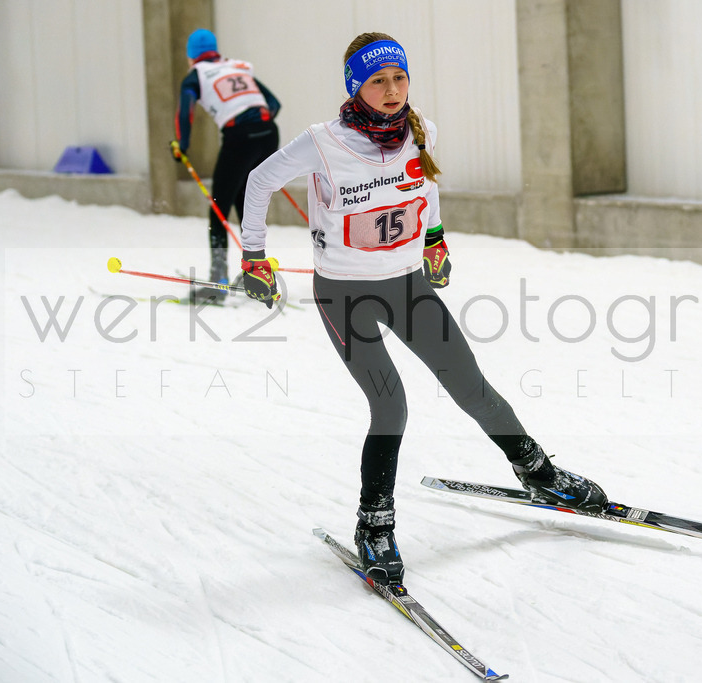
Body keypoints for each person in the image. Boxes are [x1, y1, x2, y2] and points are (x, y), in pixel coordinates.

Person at [239, 32, 607, 585]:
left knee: (473, 387)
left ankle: (538, 473)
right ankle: (374, 524)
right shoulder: (322, 142)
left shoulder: (420, 129)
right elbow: (258, 180)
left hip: (407, 285)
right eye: (378, 80)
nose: (392, 90)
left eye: (399, 77)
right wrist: (253, 256)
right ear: (355, 87)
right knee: (391, 407)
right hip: (345, 295)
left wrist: (434, 238)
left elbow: (424, 184)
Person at [172, 28, 281, 301]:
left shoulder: (195, 76)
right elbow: (273, 103)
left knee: (218, 210)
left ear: (191, 56)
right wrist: (258, 130)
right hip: (268, 133)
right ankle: (256, 274)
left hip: (239, 138)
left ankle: (217, 280)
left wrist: (181, 145)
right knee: (245, 204)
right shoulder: (236, 66)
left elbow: (185, 110)